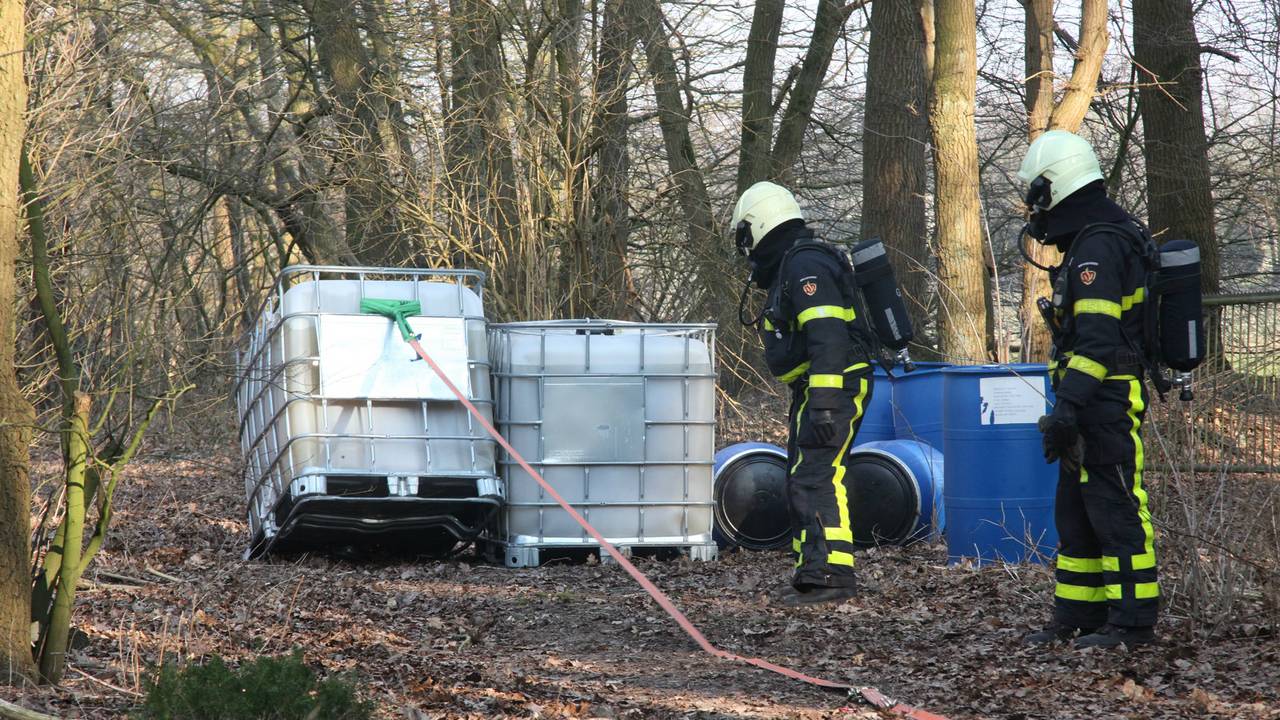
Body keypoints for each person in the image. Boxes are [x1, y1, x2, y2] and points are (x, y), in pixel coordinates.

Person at [1017, 130, 1159, 648]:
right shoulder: (1095, 238)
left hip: (1107, 400)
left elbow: (1097, 343)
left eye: (1036, 195)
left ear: (1053, 186)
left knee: (1115, 507)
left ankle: (1132, 624)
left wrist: (1068, 408)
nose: (1034, 210)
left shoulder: (1099, 245)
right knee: (1076, 511)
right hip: (1088, 400)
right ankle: (1079, 616)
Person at [732, 181, 875, 606]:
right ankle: (811, 572)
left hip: (833, 385)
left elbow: (828, 338)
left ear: (757, 226)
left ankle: (832, 577)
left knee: (818, 477)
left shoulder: (804, 266)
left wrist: (826, 405)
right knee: (804, 477)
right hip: (818, 386)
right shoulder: (794, 264)